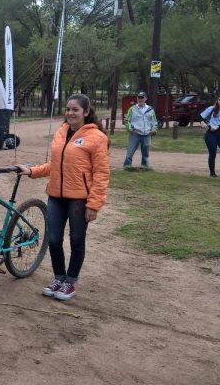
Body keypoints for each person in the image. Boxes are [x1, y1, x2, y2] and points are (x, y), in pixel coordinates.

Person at [16, 94, 110, 301]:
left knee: (76, 240)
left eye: (75, 110)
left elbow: (101, 174)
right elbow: (54, 165)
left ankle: (70, 282)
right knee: (54, 239)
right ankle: (59, 278)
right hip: (56, 196)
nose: (70, 113)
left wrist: (94, 205)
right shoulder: (61, 132)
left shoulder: (97, 138)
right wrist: (32, 171)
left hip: (79, 199)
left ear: (86, 112)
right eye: (68, 109)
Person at [122, 91, 157, 170]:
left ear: (146, 99)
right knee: (130, 151)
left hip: (147, 134)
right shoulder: (132, 109)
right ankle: (127, 166)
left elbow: (154, 121)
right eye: (139, 97)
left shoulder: (150, 110)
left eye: (142, 97)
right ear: (137, 99)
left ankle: (145, 166)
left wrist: (154, 130)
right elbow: (127, 120)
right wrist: (130, 129)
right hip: (135, 134)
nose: (140, 99)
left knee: (145, 152)